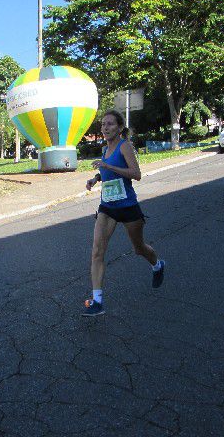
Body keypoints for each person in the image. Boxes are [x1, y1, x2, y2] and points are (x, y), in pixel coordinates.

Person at [82, 110, 165, 317]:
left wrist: (108, 165)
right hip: (107, 207)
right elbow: (108, 171)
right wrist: (96, 178)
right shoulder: (106, 148)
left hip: (128, 206)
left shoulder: (124, 146)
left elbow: (136, 174)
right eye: (103, 124)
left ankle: (157, 264)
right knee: (97, 252)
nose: (105, 128)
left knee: (139, 248)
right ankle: (97, 302)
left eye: (110, 124)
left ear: (119, 127)